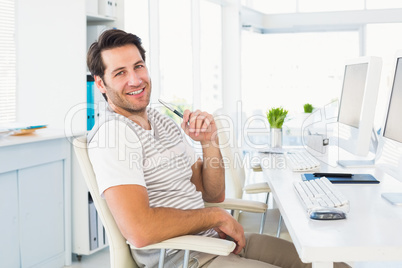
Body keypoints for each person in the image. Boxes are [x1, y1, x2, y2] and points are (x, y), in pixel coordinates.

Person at [86, 29, 348, 268]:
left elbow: (214, 192)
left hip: (219, 242)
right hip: (186, 257)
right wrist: (213, 216)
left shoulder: (161, 122)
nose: (135, 79)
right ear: (100, 83)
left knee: (336, 266)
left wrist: (209, 142)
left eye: (138, 66)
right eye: (120, 73)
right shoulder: (114, 133)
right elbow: (139, 230)